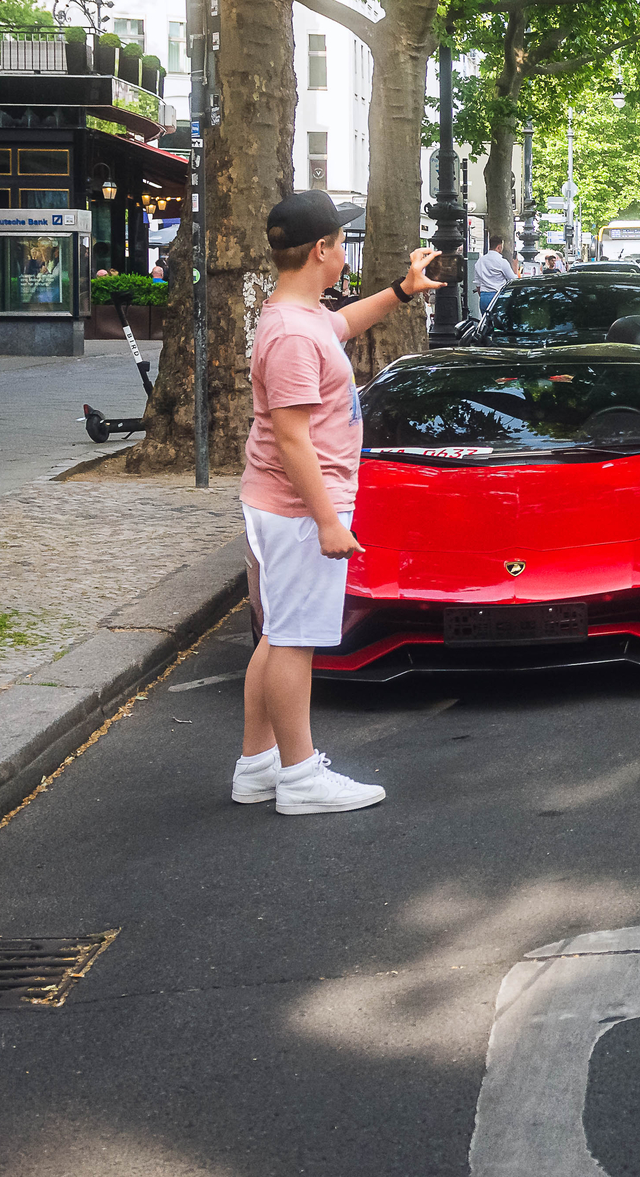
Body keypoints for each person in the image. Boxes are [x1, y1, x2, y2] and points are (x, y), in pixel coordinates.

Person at [230, 190, 435, 817]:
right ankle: (300, 776)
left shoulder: (303, 315)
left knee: (275, 636)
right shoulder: (293, 333)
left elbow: (346, 323)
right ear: (321, 250)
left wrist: (402, 290)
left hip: (281, 504)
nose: (345, 255)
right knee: (294, 640)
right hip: (297, 510)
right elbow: (292, 438)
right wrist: (327, 521)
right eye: (343, 244)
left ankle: (257, 764)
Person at [472, 239, 517, 315]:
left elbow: (478, 284)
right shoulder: (502, 262)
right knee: (499, 323)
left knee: (486, 323)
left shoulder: (480, 261)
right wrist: (515, 265)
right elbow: (513, 279)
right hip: (497, 296)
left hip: (484, 297)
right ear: (498, 247)